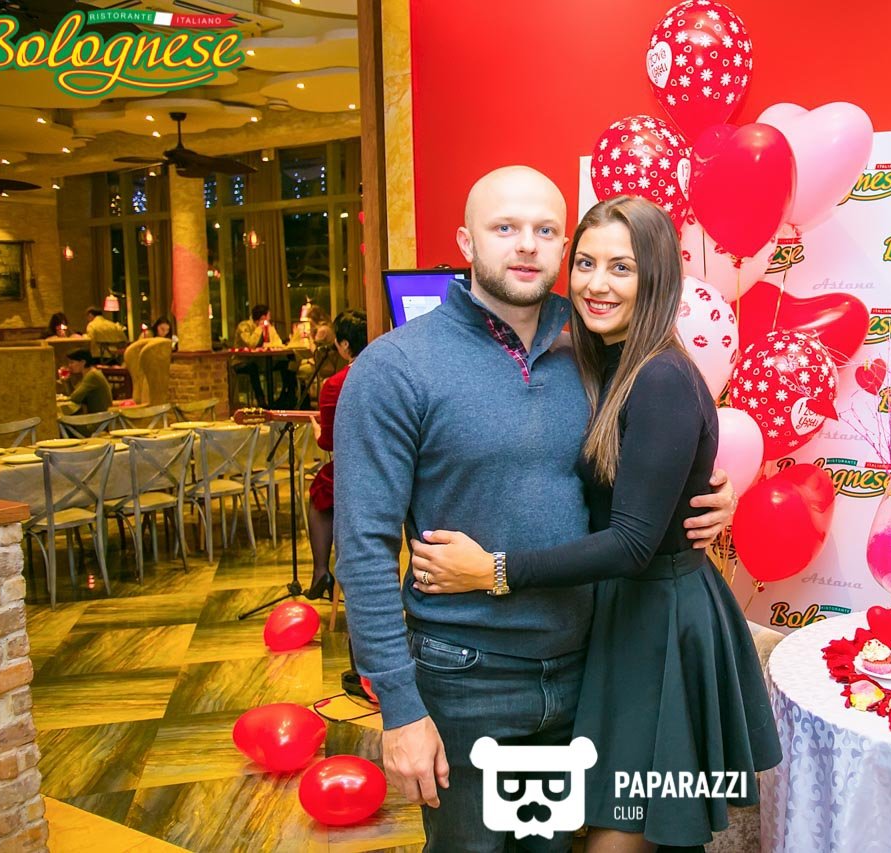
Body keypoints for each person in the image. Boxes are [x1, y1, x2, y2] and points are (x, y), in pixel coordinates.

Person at [333, 166, 734, 853]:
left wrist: (706, 490)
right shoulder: (396, 367)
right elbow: (363, 547)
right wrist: (398, 707)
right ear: (466, 241)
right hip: (466, 675)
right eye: (505, 227)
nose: (526, 244)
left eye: (546, 230)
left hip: (586, 665)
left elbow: (644, 461)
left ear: (563, 247)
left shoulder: (594, 350)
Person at [411, 196, 781, 851]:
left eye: (621, 267)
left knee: (626, 831)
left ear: (656, 277)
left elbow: (633, 542)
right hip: (619, 618)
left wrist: (493, 570)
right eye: (585, 263)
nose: (597, 283)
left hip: (658, 625)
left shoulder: (659, 377)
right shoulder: (603, 361)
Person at [305, 309, 367, 601]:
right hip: (396, 468)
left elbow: (329, 443)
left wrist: (318, 432)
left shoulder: (334, 385)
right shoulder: (392, 374)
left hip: (356, 472)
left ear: (344, 345)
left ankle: (321, 570)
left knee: (321, 488)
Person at [233, 304, 290, 407]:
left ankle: (286, 396)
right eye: (269, 316)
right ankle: (261, 400)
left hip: (260, 360)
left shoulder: (267, 326)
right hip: (241, 361)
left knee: (285, 363)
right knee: (252, 367)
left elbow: (277, 342)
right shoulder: (244, 326)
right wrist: (259, 328)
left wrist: (270, 330)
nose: (270, 318)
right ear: (263, 317)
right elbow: (251, 344)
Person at [64, 348, 113, 414]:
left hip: (99, 417)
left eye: (72, 362)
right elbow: (74, 396)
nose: (69, 366)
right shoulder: (89, 373)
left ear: (83, 362)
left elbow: (74, 398)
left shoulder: (92, 375)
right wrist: (67, 381)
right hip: (98, 415)